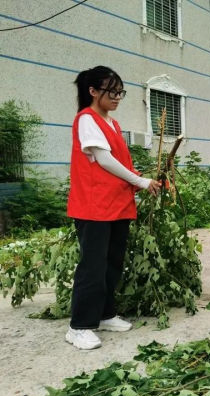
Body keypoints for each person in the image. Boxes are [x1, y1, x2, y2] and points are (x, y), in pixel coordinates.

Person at [66, 66, 161, 350]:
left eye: (121, 92)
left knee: (111, 263)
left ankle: (105, 314)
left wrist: (140, 184)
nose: (118, 97)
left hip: (117, 204)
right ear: (93, 91)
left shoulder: (113, 124)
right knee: (92, 267)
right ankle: (79, 326)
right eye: (112, 91)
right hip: (93, 205)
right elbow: (104, 160)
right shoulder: (86, 119)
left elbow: (119, 162)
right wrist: (140, 181)